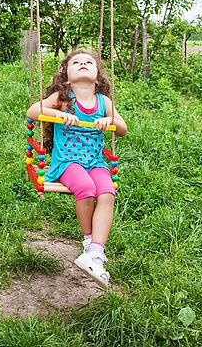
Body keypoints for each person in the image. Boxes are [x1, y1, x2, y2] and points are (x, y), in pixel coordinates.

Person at [26, 48, 127, 288]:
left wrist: (109, 120)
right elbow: (32, 111)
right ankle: (88, 242)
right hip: (67, 162)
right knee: (86, 188)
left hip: (94, 162)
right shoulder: (64, 98)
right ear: (66, 76)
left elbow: (123, 128)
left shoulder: (104, 102)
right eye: (76, 62)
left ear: (98, 76)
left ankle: (96, 252)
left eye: (89, 62)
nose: (83, 63)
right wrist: (58, 115)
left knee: (106, 192)